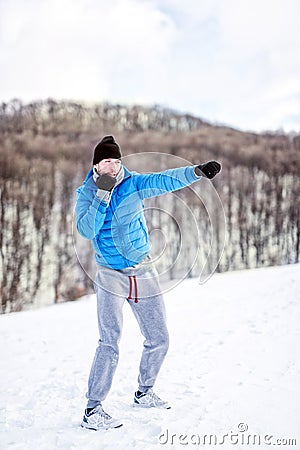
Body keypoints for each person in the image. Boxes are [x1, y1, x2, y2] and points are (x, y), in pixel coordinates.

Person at [75, 135, 221, 431]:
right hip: (110, 275)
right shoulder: (86, 193)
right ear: (96, 165)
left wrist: (196, 171)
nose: (113, 167)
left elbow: (165, 180)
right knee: (109, 342)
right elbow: (86, 230)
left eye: (116, 161)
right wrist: (102, 195)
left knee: (159, 338)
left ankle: (144, 392)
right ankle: (93, 410)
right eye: (107, 161)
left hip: (142, 271)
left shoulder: (133, 182)